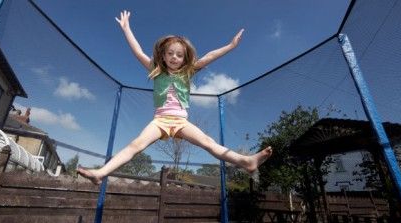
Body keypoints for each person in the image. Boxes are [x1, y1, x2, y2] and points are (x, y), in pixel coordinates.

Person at [77, 10, 272, 185]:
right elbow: (138, 52)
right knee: (136, 144)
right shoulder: (156, 71)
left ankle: (246, 161)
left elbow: (208, 57)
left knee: (208, 142)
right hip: (160, 121)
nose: (174, 57)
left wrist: (230, 46)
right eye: (170, 53)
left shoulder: (187, 73)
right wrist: (127, 29)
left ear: (184, 58)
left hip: (180, 121)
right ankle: (101, 173)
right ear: (162, 56)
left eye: (179, 55)